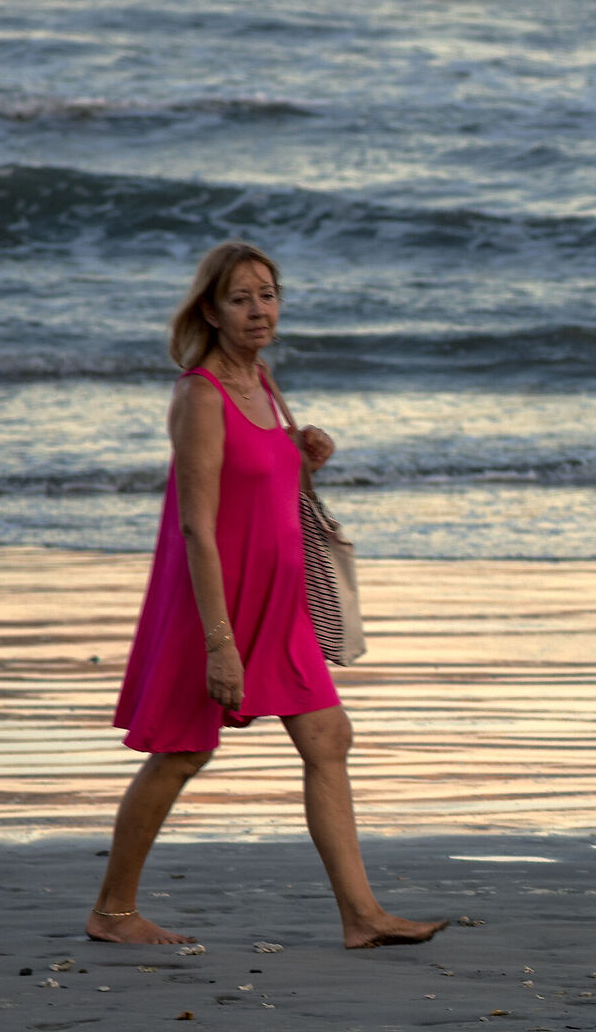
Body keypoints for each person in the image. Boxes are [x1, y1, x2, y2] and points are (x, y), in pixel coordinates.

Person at [86, 241, 445, 950]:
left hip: (281, 604)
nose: (259, 310)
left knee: (328, 736)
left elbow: (265, 492)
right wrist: (219, 645)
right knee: (183, 752)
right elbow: (197, 525)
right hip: (214, 604)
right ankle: (112, 911)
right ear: (211, 312)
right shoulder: (200, 395)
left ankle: (361, 916)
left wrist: (303, 458)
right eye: (241, 298)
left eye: (268, 295)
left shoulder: (264, 382)